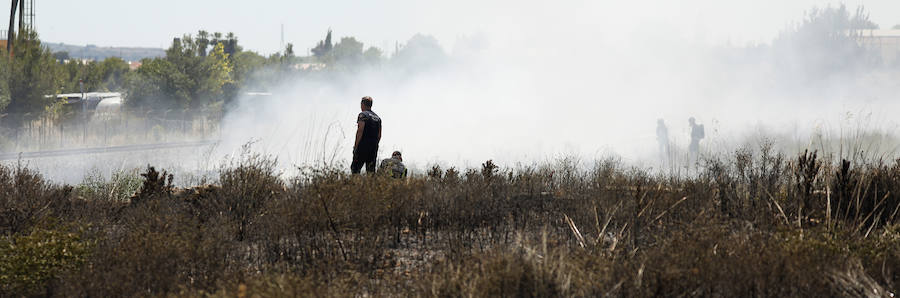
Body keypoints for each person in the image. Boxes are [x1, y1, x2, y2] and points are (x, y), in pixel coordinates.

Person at [352, 96, 382, 174]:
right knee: (371, 171)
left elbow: (360, 130)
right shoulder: (378, 118)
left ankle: (354, 185)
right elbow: (379, 135)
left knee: (355, 169)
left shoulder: (363, 115)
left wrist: (356, 146)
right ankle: (370, 186)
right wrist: (374, 144)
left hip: (363, 145)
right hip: (373, 147)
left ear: (362, 104)